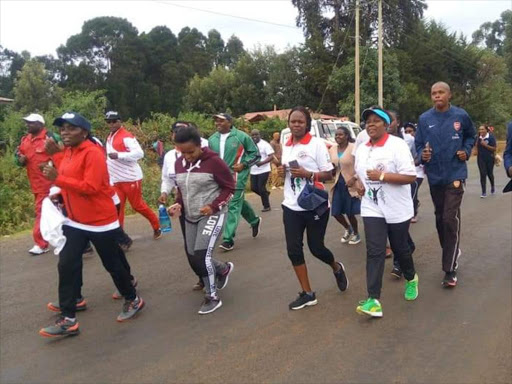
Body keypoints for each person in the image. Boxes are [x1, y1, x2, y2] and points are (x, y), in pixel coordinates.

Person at [38, 112, 144, 338]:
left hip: (100, 222)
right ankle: (69, 316)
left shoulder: (93, 154)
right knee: (67, 264)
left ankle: (133, 299)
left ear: (84, 132)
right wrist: (59, 191)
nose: (64, 132)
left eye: (71, 128)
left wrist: (58, 179)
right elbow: (67, 176)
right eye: (62, 128)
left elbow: (91, 187)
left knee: (113, 264)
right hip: (74, 221)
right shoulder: (67, 152)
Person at [278, 107, 348, 310]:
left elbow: (329, 174)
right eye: (293, 121)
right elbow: (289, 174)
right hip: (291, 205)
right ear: (289, 124)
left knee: (316, 248)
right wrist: (284, 172)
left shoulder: (317, 144)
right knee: (293, 250)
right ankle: (308, 293)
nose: (296, 125)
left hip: (314, 204)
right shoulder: (287, 143)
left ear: (307, 124)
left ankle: (336, 267)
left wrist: (307, 174)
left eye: (300, 122)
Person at [354, 106, 419, 318]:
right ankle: (374, 299)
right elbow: (359, 174)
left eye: (376, 121)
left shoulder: (397, 145)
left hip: (397, 208)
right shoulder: (362, 148)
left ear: (387, 125)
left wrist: (382, 176)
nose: (370, 124)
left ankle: (411, 278)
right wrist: (359, 184)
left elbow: (410, 176)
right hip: (372, 206)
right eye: (368, 121)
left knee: (400, 248)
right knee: (375, 251)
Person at [167, 126, 235, 314]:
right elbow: (181, 189)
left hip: (212, 215)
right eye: (182, 152)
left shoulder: (214, 162)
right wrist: (178, 204)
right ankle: (222, 269)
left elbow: (230, 188)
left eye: (191, 151)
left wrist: (214, 206)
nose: (187, 156)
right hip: (190, 217)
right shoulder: (179, 163)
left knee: (201, 256)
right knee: (193, 256)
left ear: (199, 145)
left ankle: (212, 296)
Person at [415, 82, 476, 287]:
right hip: (435, 176)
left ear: (449, 95)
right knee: (440, 218)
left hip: (455, 173)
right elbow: (418, 144)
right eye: (433, 93)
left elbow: (470, 136)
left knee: (450, 217)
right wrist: (422, 155)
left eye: (441, 93)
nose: (437, 96)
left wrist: (466, 151)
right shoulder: (424, 119)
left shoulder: (460, 116)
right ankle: (451, 250)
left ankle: (449, 270)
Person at [159, 121, 209, 291]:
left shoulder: (202, 149)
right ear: (172, 135)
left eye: (183, 130)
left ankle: (213, 277)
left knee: (201, 247)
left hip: (205, 205)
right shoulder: (169, 157)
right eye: (176, 131)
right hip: (182, 203)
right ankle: (202, 277)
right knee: (190, 247)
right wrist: (165, 192)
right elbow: (167, 178)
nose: (179, 134)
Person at [208, 113, 261, 251]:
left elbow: (255, 155)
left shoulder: (241, 136)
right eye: (216, 121)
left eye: (221, 121)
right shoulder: (212, 139)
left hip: (237, 177)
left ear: (230, 122)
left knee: (232, 205)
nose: (218, 123)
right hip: (219, 179)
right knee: (238, 202)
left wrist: (244, 164)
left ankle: (228, 239)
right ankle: (254, 220)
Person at [105, 111, 161, 240]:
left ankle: (156, 225)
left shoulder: (126, 136)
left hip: (130, 178)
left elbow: (139, 154)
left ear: (120, 121)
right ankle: (120, 237)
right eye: (109, 122)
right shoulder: (110, 136)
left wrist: (119, 155)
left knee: (137, 205)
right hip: (116, 180)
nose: (111, 124)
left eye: (114, 121)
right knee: (117, 208)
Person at [16, 113, 58, 255]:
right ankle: (81, 242)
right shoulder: (25, 140)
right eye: (27, 122)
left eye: (31, 123)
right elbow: (18, 157)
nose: (28, 125)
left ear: (41, 124)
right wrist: (19, 160)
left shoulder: (50, 137)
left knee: (41, 212)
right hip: (35, 184)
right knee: (59, 213)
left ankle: (40, 244)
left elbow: (65, 154)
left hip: (51, 184)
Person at [328, 126, 361, 245]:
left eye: (340, 135)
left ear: (347, 136)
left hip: (351, 183)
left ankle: (356, 234)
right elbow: (332, 166)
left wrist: (354, 178)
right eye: (336, 135)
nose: (337, 137)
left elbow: (361, 166)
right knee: (336, 212)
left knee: (349, 212)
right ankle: (348, 228)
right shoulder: (332, 149)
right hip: (338, 183)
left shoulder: (354, 148)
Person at [404, 123, 424, 223]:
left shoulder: (418, 143)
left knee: (413, 191)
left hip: (418, 172)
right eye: (406, 132)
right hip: (406, 172)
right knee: (408, 193)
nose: (408, 134)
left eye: (410, 131)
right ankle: (415, 204)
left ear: (415, 132)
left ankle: (413, 213)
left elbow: (420, 157)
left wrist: (412, 163)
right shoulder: (404, 142)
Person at [250, 129, 274, 212]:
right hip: (253, 170)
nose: (254, 137)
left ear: (260, 135)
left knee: (261, 187)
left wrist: (262, 163)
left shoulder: (265, 144)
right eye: (253, 135)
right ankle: (265, 194)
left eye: (256, 135)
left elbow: (271, 156)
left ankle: (267, 206)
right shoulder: (250, 144)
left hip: (264, 169)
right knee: (253, 188)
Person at [475, 125, 496, 197]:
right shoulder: (478, 138)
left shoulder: (491, 137)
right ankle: (483, 192)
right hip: (481, 159)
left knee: (490, 174)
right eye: (480, 129)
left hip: (490, 158)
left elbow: (494, 149)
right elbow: (476, 146)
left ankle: (492, 186)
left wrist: (485, 145)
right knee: (483, 174)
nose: (481, 131)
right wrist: (476, 150)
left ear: (486, 130)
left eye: (482, 129)